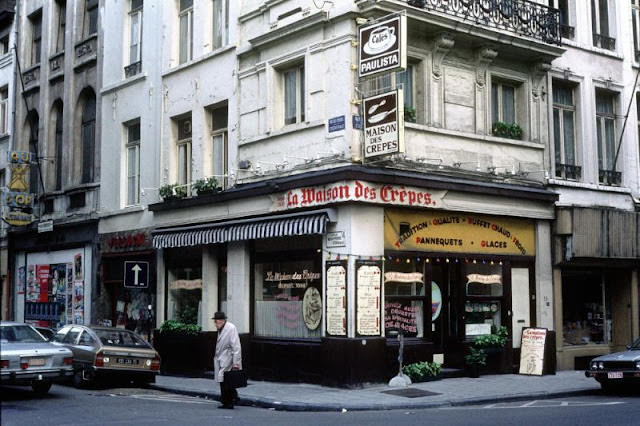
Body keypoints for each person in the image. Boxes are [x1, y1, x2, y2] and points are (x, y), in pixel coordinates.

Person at [213, 311, 242, 409]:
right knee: (225, 380)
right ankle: (231, 398)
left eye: (216, 321)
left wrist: (236, 363)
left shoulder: (231, 328)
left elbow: (236, 347)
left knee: (225, 380)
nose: (215, 324)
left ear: (221, 321)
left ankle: (228, 402)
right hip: (221, 358)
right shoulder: (221, 329)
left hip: (228, 358)